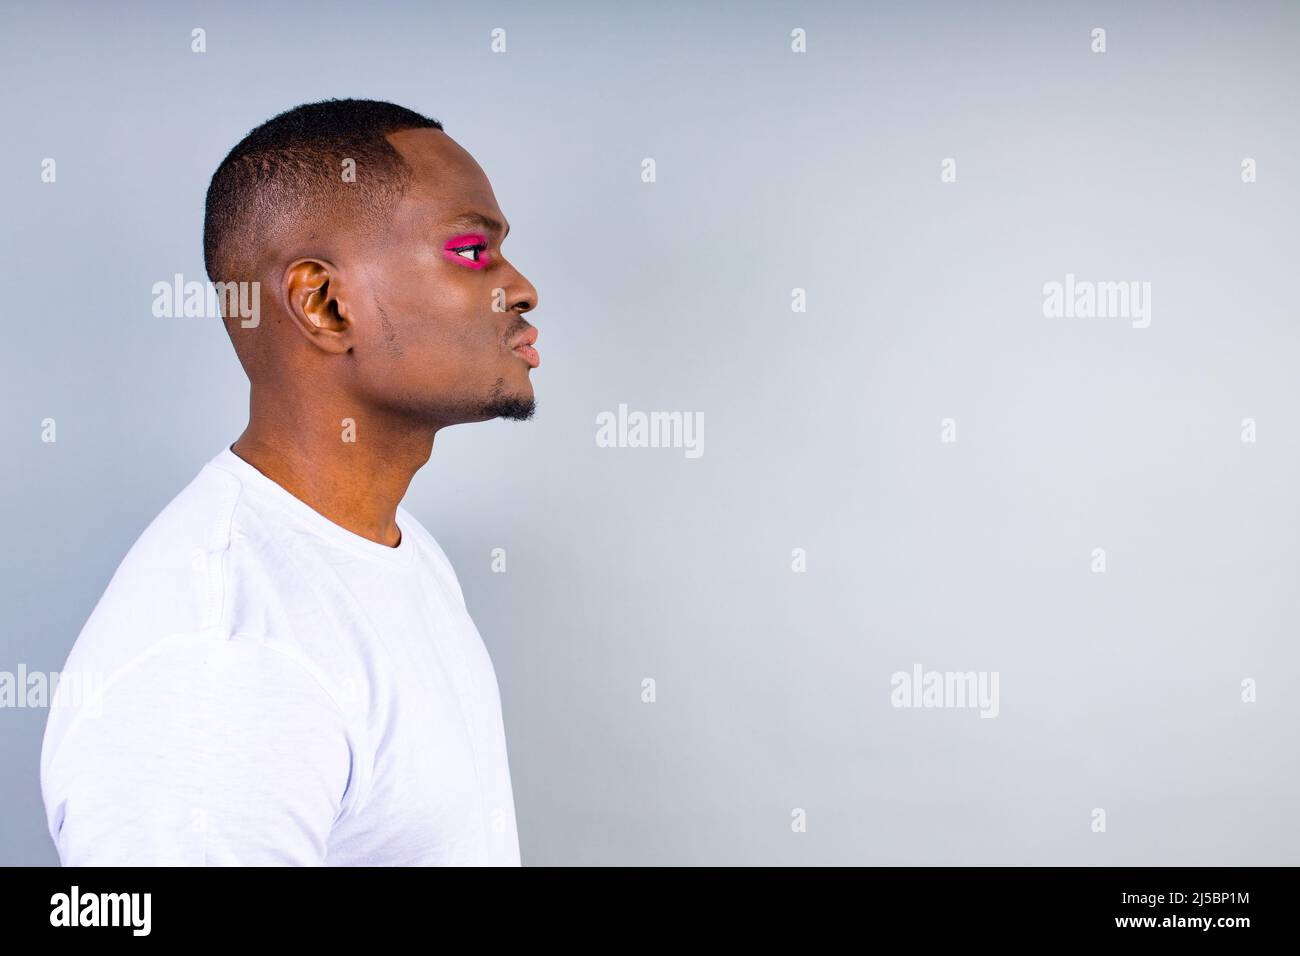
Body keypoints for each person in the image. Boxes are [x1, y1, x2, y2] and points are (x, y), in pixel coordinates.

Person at [39, 98, 540, 865]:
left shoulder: (402, 553)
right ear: (324, 304)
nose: (523, 288)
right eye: (474, 252)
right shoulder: (221, 660)